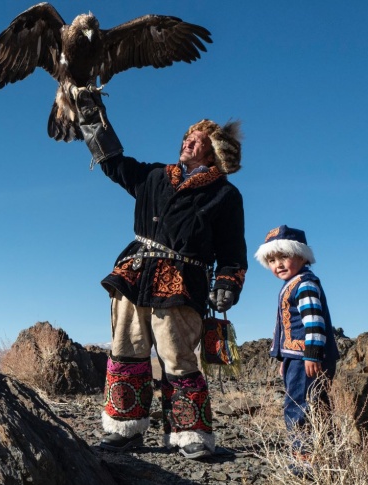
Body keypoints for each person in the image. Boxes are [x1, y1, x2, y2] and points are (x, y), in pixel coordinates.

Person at [74, 89, 248, 459]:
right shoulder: (153, 176)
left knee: (177, 355)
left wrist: (226, 285)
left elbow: (233, 253)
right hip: (135, 272)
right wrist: (92, 118)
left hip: (184, 282)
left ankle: (190, 434)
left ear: (213, 151)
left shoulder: (225, 194)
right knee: (125, 348)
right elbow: (114, 163)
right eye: (187, 136)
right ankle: (125, 428)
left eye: (197, 140)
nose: (187, 141)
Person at [254, 225, 339, 464]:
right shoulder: (292, 284)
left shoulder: (304, 284)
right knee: (316, 404)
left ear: (301, 256)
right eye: (271, 260)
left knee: (298, 404)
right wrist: (283, 358)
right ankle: (325, 453)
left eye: (284, 256)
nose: (278, 264)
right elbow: (284, 326)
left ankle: (304, 456)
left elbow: (314, 319)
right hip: (298, 357)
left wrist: (312, 354)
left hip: (307, 358)